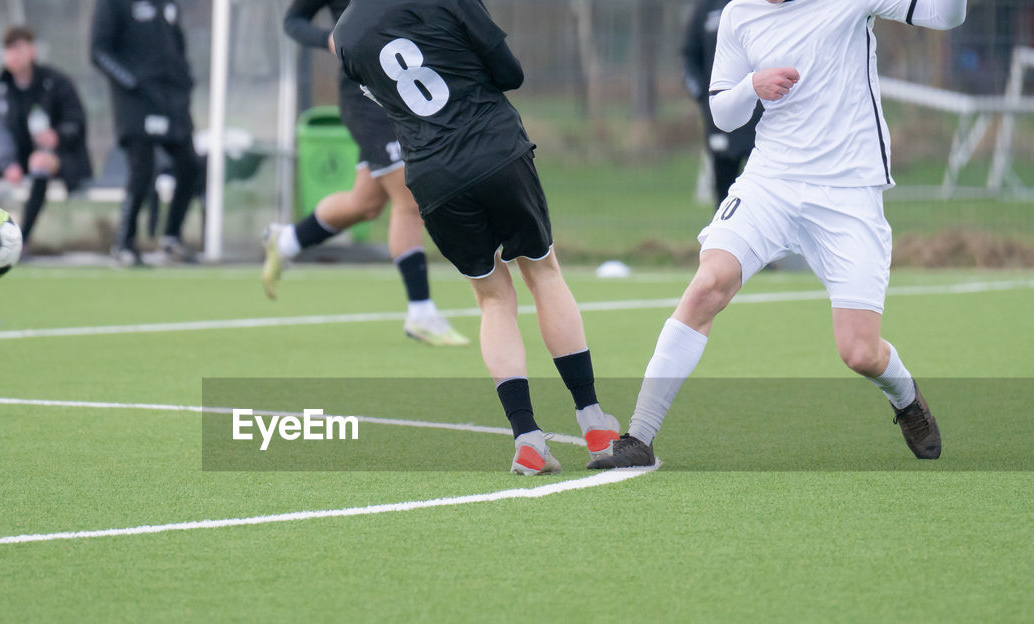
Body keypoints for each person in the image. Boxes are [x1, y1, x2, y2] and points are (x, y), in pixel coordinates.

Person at [601, 0, 965, 471]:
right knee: (709, 283)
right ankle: (638, 436)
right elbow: (723, 115)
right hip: (770, 180)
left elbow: (946, 16)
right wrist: (752, 86)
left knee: (859, 352)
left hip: (848, 190)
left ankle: (906, 398)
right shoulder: (737, 14)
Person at [332, 0, 620, 473]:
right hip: (494, 149)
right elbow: (510, 73)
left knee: (492, 299)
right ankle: (594, 425)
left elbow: (390, 103)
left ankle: (527, 438)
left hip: (430, 174)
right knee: (544, 274)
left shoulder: (344, 34)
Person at [262, 0, 468, 348]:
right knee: (409, 198)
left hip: (405, 89)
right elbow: (294, 21)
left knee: (366, 203)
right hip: (364, 97)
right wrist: (328, 37)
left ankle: (284, 241)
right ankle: (421, 312)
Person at [0, 26, 92, 245]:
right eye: (9, 50)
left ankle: (21, 241)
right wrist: (8, 163)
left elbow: (76, 122)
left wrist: (56, 135)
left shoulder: (56, 82)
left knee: (39, 162)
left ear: (32, 51)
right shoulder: (3, 87)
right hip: (13, 158)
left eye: (19, 49)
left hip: (56, 158)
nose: (14, 56)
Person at [91, 0, 203, 267]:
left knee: (190, 165)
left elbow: (177, 46)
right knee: (142, 169)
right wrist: (132, 82)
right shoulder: (113, 5)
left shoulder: (168, 4)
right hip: (137, 102)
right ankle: (124, 243)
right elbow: (99, 51)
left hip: (172, 100)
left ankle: (172, 238)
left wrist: (185, 78)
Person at [681, 0, 761, 206]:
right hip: (721, 126)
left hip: (764, 126)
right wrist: (705, 98)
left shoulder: (762, 6)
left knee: (763, 200)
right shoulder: (706, 9)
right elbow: (689, 58)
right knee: (724, 201)